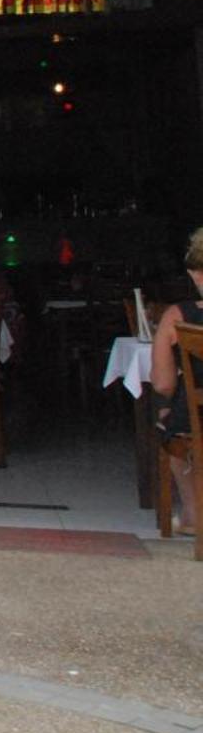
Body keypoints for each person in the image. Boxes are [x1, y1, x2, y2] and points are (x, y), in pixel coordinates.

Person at [150, 227, 203, 535]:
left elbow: (163, 384)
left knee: (169, 421)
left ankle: (194, 515)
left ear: (196, 274)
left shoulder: (176, 316)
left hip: (195, 418)